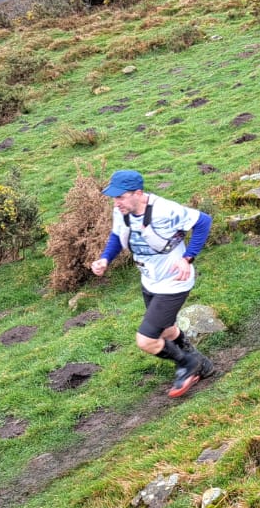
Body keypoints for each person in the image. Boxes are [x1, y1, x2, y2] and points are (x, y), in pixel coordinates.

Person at [90, 170, 216, 398]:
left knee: (146, 340)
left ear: (138, 193)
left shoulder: (165, 210)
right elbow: (117, 236)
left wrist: (188, 257)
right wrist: (105, 259)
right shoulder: (122, 210)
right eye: (114, 197)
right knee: (167, 330)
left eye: (120, 197)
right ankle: (202, 364)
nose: (116, 202)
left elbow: (203, 221)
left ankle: (188, 363)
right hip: (150, 280)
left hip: (174, 282)